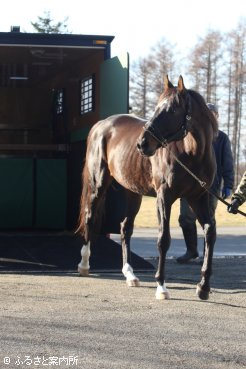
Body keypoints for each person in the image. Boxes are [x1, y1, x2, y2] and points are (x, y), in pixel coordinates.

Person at [177, 102, 234, 263]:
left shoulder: (222, 138)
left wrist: (228, 185)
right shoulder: (190, 135)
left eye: (213, 114)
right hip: (189, 187)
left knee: (208, 221)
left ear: (217, 117)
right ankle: (191, 251)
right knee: (185, 219)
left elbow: (227, 164)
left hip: (211, 188)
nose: (210, 116)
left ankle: (206, 256)